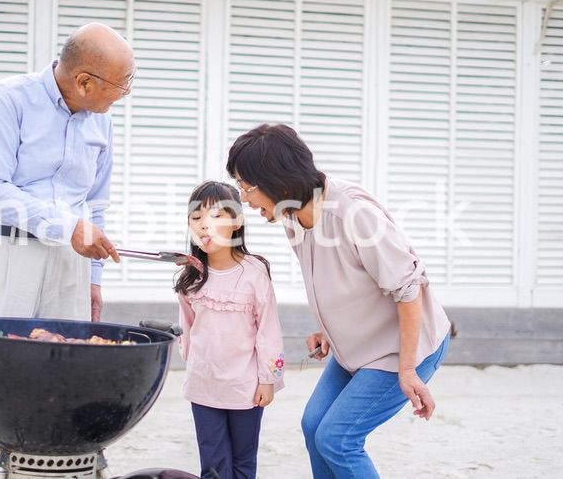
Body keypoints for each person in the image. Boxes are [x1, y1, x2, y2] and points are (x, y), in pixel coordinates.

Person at [0, 23, 133, 478]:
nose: (125, 94)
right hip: (5, 256)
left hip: (70, 262)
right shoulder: (6, 100)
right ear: (85, 80)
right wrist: (68, 227)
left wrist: (95, 278)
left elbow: (96, 204)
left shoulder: (101, 120)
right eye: (122, 84)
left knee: (64, 378)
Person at [226, 124, 451, 479]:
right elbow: (335, 275)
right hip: (356, 346)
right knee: (314, 426)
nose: (244, 199)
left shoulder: (355, 215)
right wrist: (327, 327)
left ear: (278, 182)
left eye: (246, 187)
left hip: (403, 347)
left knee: (338, 439)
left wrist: (408, 370)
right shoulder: (293, 214)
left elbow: (410, 289)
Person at [175, 181, 285, 479]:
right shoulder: (190, 278)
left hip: (246, 388)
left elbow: (268, 329)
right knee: (212, 465)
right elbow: (188, 327)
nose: (204, 226)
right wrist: (193, 362)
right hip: (204, 386)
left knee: (242, 462)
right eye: (196, 218)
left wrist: (268, 380)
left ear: (237, 221)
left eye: (216, 216)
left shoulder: (255, 272)